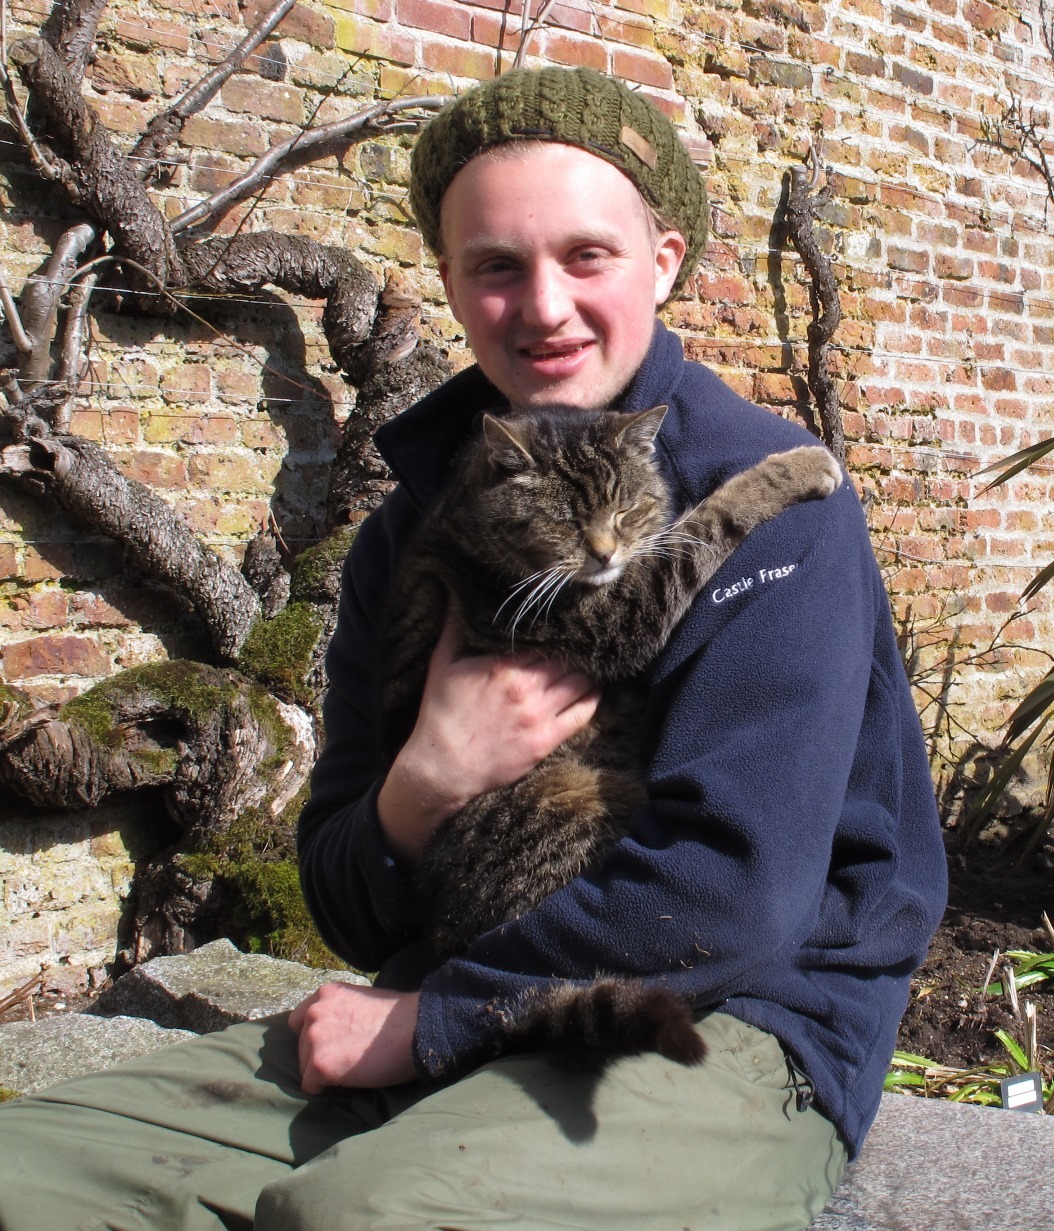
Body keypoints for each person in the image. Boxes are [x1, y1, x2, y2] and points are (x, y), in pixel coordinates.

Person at [0, 66, 947, 1230]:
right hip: (452, 972)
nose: (542, 306)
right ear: (447, 282)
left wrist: (430, 1023)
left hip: (728, 1017)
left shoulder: (774, 506)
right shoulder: (408, 530)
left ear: (664, 260)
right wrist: (422, 787)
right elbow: (347, 900)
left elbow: (728, 894)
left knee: (364, 1216)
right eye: (496, 265)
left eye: (586, 256)